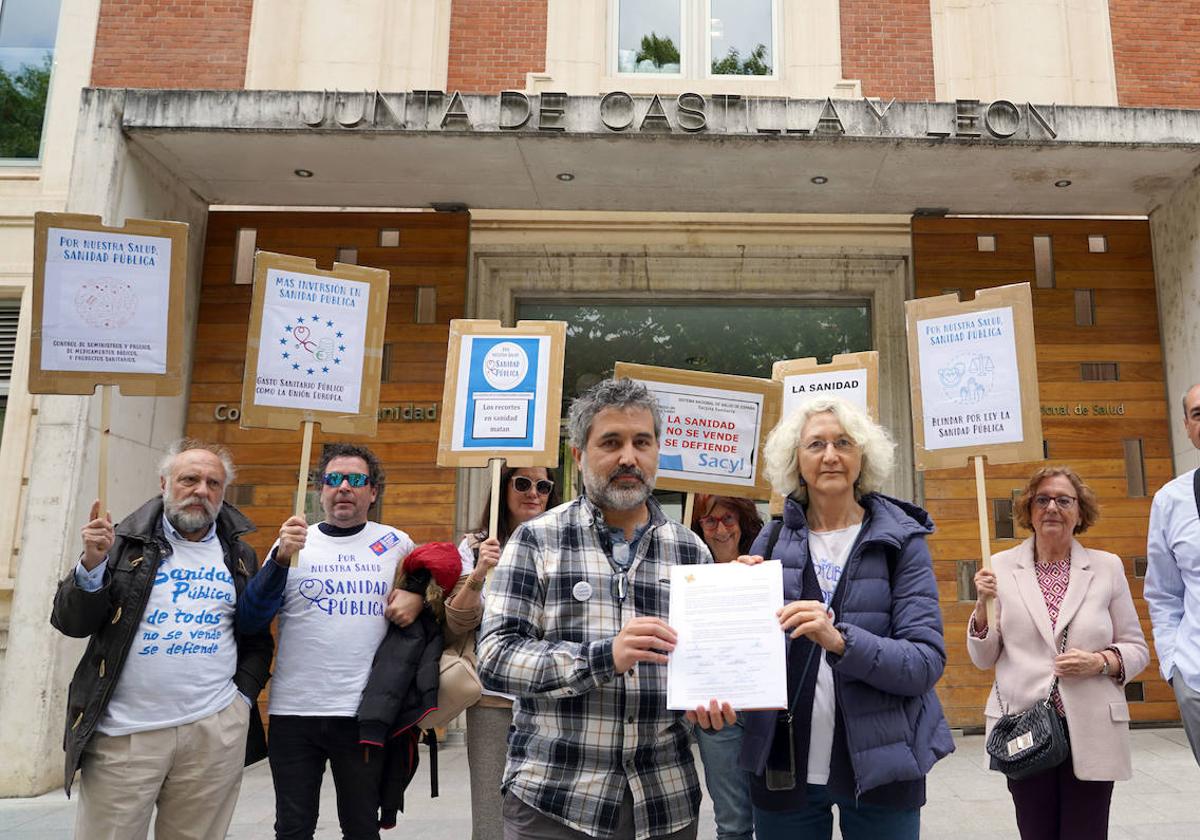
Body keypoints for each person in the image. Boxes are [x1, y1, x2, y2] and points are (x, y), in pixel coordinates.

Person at [477, 377, 714, 840]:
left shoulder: (691, 552)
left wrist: (716, 702)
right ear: (580, 456)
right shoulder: (537, 540)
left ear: (656, 453)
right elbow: (495, 659)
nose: (629, 457)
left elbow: (704, 669)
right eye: (611, 442)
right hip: (556, 801)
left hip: (665, 803)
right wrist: (604, 657)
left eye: (641, 442)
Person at [738, 396, 953, 840]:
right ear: (795, 459)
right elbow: (749, 657)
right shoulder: (772, 536)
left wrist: (840, 641)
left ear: (863, 456)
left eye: (844, 443)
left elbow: (924, 663)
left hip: (883, 765)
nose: (831, 455)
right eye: (816, 444)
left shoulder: (902, 542)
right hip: (785, 765)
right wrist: (739, 605)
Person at [51, 438, 273, 840]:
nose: (201, 491)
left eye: (213, 483)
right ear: (164, 483)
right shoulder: (118, 544)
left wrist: (241, 700)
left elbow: (255, 634)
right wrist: (91, 565)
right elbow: (72, 623)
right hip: (126, 733)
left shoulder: (239, 555)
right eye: (189, 479)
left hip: (213, 731)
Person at [236, 443, 418, 840]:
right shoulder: (294, 541)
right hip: (294, 712)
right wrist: (281, 559)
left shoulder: (396, 544)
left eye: (357, 480)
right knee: (293, 828)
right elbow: (251, 618)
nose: (344, 487)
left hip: (363, 713)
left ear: (373, 492)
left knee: (361, 827)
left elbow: (431, 601)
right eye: (334, 479)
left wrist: (417, 597)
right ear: (320, 489)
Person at [969, 465, 1149, 840]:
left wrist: (1099, 662)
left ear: (1079, 512)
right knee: (1036, 832)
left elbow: (1137, 648)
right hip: (1025, 724)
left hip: (1092, 726)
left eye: (1064, 500)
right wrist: (981, 608)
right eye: (1042, 500)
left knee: (1087, 832)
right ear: (1029, 511)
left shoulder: (1107, 567)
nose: (1052, 507)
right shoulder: (1000, 567)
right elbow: (984, 658)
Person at [448, 465, 562, 840]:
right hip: (494, 699)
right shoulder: (477, 544)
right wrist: (480, 570)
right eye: (523, 483)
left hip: (552, 699)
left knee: (551, 816)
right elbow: (457, 621)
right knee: (490, 817)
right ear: (503, 487)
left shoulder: (566, 542)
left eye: (543, 485)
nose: (534, 492)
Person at [688, 495, 763, 840]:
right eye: (710, 521)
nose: (719, 529)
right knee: (732, 821)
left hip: (767, 708)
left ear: (743, 523)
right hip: (715, 712)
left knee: (780, 818)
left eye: (728, 520)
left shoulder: (766, 564)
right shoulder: (687, 572)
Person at [1146, 382, 1200, 765]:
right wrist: (1174, 667)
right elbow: (1163, 593)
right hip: (1196, 679)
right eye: (1198, 414)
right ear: (1186, 425)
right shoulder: (1170, 501)